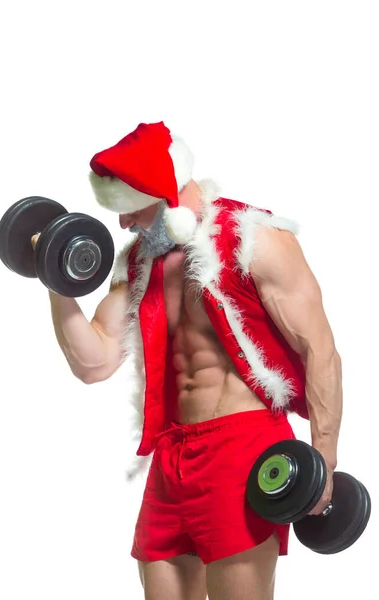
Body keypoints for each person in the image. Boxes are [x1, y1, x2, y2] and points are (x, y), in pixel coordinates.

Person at [48, 121, 343, 600]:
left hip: (244, 449)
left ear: (161, 190)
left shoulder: (255, 239)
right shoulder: (141, 264)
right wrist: (55, 279)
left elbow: (321, 348)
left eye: (128, 209)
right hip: (171, 456)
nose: (122, 225)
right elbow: (94, 360)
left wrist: (325, 458)